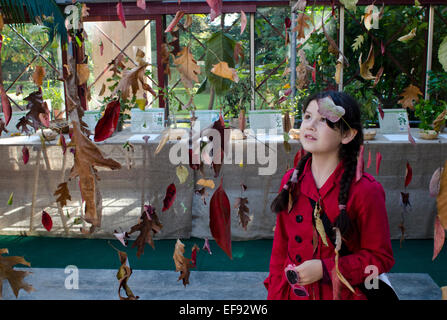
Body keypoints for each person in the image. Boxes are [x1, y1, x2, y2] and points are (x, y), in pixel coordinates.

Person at [264, 90, 395, 300]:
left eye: (324, 119)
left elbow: (380, 258)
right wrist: (275, 294)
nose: (310, 125)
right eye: (307, 116)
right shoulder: (291, 181)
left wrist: (327, 269)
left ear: (347, 134)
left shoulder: (366, 190)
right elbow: (280, 248)